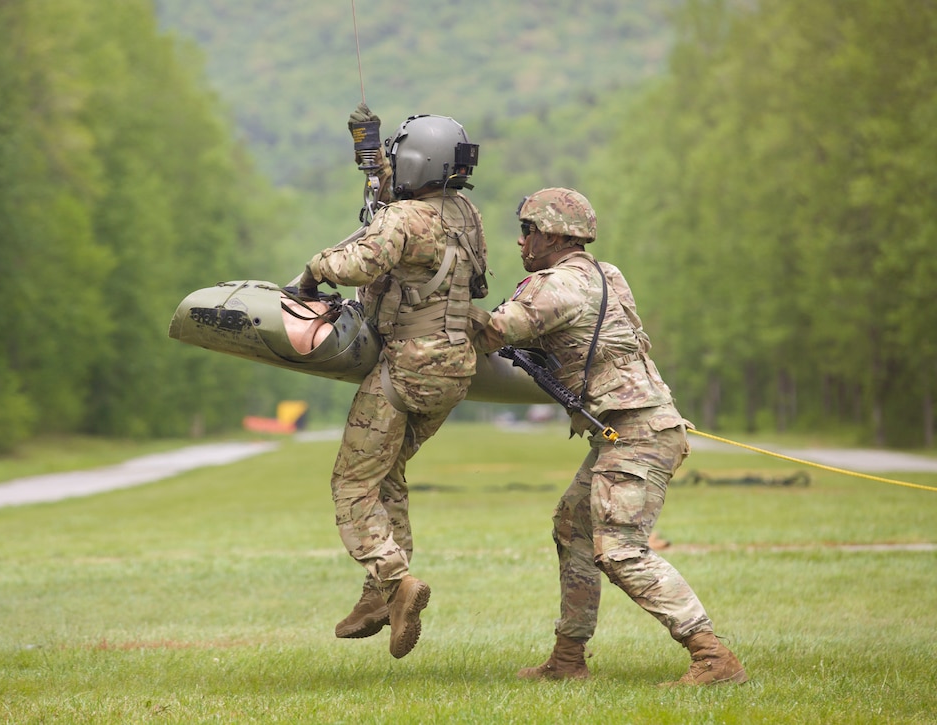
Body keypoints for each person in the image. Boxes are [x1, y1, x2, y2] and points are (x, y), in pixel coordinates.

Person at [474, 187, 747, 686]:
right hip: (635, 428)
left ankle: (713, 657)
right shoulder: (606, 275)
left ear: (554, 234)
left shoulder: (554, 287)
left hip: (636, 431)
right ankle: (567, 660)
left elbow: (494, 332)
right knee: (572, 526)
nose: (521, 241)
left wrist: (434, 309)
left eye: (528, 230)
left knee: (619, 548)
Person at [297, 105, 488, 659]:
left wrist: (314, 268)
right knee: (388, 474)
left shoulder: (404, 219)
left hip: (407, 368)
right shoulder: (465, 213)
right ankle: (378, 596)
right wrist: (376, 165)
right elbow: (414, 218)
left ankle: (395, 579)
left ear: (416, 160)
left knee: (352, 484)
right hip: (454, 370)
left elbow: (359, 263)